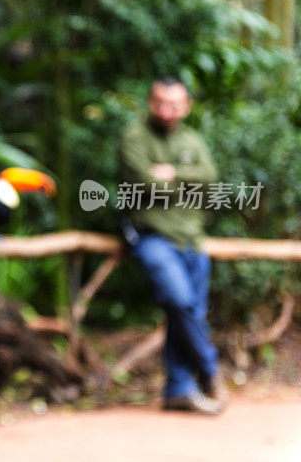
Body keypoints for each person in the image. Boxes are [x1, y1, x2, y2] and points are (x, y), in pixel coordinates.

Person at [117, 78, 228, 415]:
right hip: (152, 239)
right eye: (161, 102)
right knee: (180, 303)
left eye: (175, 104)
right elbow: (144, 184)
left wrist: (171, 174)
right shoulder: (133, 138)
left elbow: (210, 180)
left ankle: (179, 389)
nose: (167, 110)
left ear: (187, 106)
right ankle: (210, 369)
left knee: (190, 311)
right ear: (150, 103)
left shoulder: (192, 139)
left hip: (193, 239)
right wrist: (184, 179)